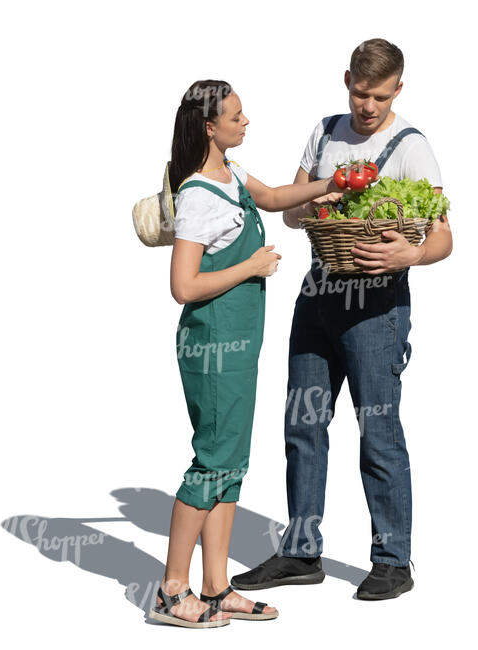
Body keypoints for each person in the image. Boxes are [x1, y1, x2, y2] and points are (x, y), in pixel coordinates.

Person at [231, 38, 452, 601]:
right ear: (347, 79)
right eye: (360, 92)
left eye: (379, 96)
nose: (367, 107)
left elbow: (444, 236)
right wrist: (325, 201)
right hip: (317, 296)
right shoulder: (325, 131)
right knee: (302, 425)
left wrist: (411, 253)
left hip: (377, 310)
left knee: (378, 431)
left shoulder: (411, 147)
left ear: (396, 90)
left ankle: (393, 560)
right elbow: (295, 207)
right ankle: (302, 552)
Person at [149, 80, 346, 628]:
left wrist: (329, 185)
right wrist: (251, 267)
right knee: (211, 462)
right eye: (236, 115)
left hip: (240, 347)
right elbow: (183, 286)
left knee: (231, 464)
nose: (246, 121)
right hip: (212, 347)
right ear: (209, 127)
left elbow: (279, 197)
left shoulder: (231, 176)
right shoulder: (196, 194)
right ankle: (170, 590)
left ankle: (215, 586)